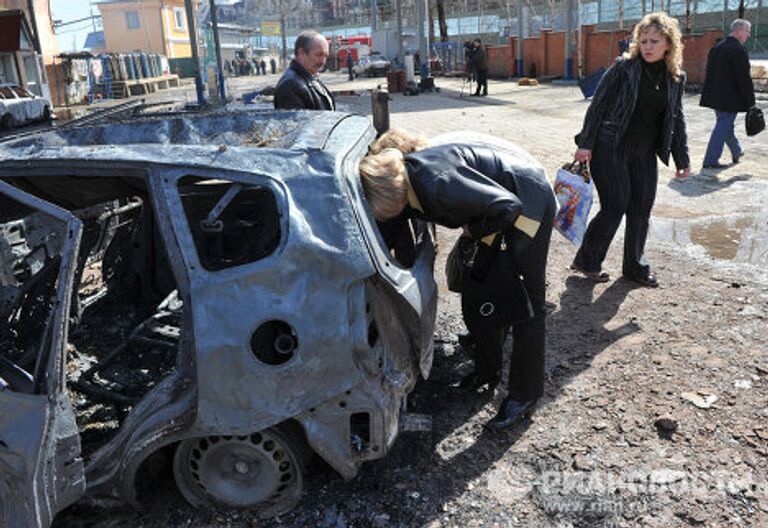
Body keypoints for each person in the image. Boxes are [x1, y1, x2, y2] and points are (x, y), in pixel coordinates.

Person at [359, 135, 556, 430]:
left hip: (527, 205)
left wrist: (475, 234)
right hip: (495, 212)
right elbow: (389, 229)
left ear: (390, 198)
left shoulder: (436, 185)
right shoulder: (404, 181)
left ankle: (524, 395)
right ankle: (486, 372)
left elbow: (507, 206)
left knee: (527, 305)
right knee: (479, 287)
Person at [571, 12, 690, 289]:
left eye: (654, 41)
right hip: (610, 146)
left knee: (641, 210)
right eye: (644, 40)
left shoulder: (676, 77)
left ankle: (635, 267)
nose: (647, 46)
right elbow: (597, 105)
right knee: (615, 205)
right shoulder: (624, 68)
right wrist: (585, 144)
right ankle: (588, 261)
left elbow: (676, 118)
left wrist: (681, 158)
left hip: (645, 153)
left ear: (669, 45)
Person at [700, 19, 755, 169]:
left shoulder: (717, 47)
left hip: (715, 96)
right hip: (730, 98)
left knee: (726, 126)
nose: (748, 35)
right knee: (723, 126)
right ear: (738, 31)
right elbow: (743, 78)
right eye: (747, 31)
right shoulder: (738, 50)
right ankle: (710, 161)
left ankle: (736, 151)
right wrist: (750, 101)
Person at [274, 30, 335, 110]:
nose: (323, 61)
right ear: (301, 53)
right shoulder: (290, 86)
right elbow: (298, 121)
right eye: (319, 55)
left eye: (325, 56)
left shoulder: (309, 77)